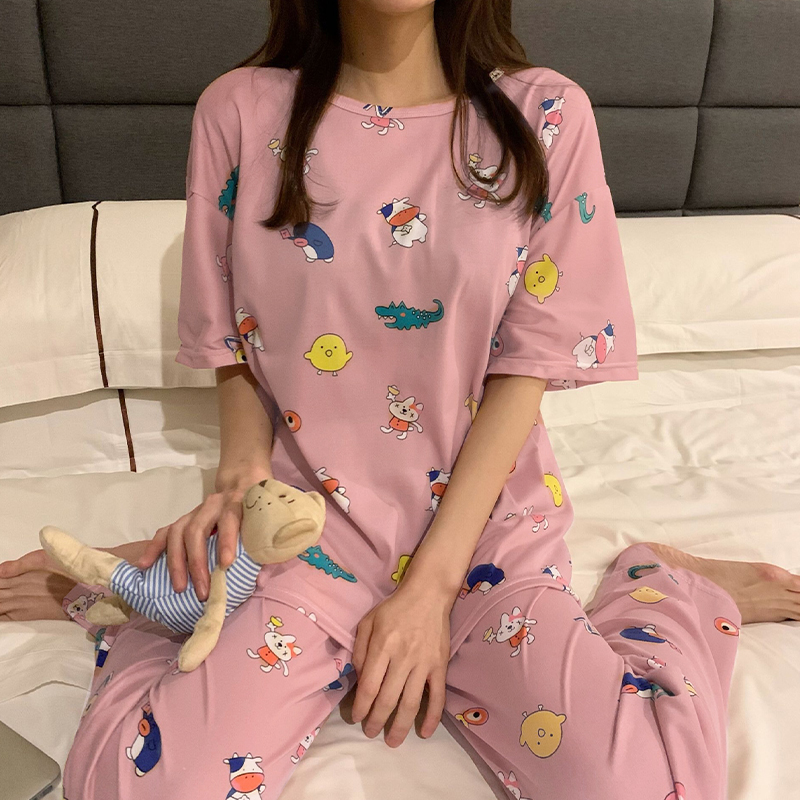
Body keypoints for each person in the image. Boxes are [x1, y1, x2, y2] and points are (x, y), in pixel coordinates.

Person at [2, 2, 799, 799]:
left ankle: (667, 587)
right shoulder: (240, 110)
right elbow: (231, 347)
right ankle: (152, 606)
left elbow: (527, 366)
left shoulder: (546, 115)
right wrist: (238, 493)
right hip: (306, 534)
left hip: (485, 537)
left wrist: (430, 593)